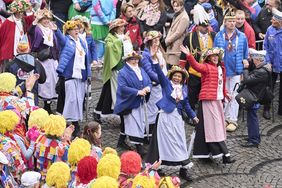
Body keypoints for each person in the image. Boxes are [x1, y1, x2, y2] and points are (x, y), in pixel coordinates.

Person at [180, 45, 235, 164]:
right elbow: (196, 66)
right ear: (209, 59)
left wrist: (226, 94)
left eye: (216, 56)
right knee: (214, 127)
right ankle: (226, 154)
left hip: (217, 100)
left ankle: (219, 153)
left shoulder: (222, 69)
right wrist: (189, 55)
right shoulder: (206, 67)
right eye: (212, 56)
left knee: (218, 127)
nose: (215, 58)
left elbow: (222, 85)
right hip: (208, 100)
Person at [146, 62, 199, 181]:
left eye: (179, 76)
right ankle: (157, 168)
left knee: (180, 142)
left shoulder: (184, 89)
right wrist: (155, 63)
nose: (176, 78)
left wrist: (193, 116)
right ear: (171, 76)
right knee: (162, 143)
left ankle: (183, 170)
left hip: (177, 119)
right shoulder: (166, 85)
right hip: (165, 117)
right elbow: (159, 74)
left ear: (182, 79)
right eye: (175, 75)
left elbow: (186, 105)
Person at [214, 9, 249, 132]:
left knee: (234, 95)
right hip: (223, 70)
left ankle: (232, 119)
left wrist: (245, 61)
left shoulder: (242, 36)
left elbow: (245, 53)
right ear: (225, 22)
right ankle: (223, 117)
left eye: (234, 21)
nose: (232, 23)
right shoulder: (219, 36)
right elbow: (214, 52)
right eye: (230, 21)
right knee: (223, 94)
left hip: (235, 70)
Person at [56, 20, 91, 137]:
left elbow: (88, 52)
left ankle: (74, 124)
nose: (76, 30)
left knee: (79, 100)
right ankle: (72, 124)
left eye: (77, 28)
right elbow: (60, 39)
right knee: (71, 101)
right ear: (68, 31)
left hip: (81, 76)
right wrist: (55, 30)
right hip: (69, 76)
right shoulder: (66, 40)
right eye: (73, 29)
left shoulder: (81, 41)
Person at [114, 51, 151, 156]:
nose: (135, 61)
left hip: (139, 103)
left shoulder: (141, 70)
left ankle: (121, 141)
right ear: (127, 60)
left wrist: (148, 87)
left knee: (138, 123)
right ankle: (139, 147)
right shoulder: (123, 72)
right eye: (132, 59)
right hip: (128, 103)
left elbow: (148, 81)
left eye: (136, 59)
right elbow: (122, 87)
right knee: (133, 124)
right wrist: (137, 92)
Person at [179, 4, 216, 111]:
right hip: (194, 72)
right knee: (192, 95)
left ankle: (203, 113)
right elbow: (183, 56)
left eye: (207, 26)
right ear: (198, 26)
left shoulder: (213, 35)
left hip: (208, 72)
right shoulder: (189, 37)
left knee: (205, 96)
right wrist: (182, 71)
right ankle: (191, 113)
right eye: (204, 26)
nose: (207, 28)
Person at [94, 18, 131, 120]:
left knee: (110, 92)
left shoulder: (125, 36)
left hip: (126, 68)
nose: (123, 28)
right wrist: (120, 41)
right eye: (121, 26)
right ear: (116, 28)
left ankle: (100, 110)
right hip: (114, 68)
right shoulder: (110, 38)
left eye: (123, 26)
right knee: (113, 90)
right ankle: (119, 112)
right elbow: (109, 48)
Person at [29, 8, 59, 113]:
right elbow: (30, 32)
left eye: (47, 19)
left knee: (53, 82)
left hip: (53, 59)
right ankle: (45, 104)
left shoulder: (51, 29)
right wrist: (35, 20)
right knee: (45, 82)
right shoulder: (37, 29)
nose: (46, 21)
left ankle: (49, 103)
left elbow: (56, 43)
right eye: (44, 19)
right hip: (43, 60)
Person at [140, 31, 167, 144]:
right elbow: (149, 72)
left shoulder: (159, 51)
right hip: (153, 86)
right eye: (154, 41)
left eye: (158, 40)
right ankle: (148, 135)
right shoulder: (145, 54)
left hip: (161, 85)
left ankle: (156, 133)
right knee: (151, 110)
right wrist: (162, 79)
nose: (157, 43)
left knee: (157, 109)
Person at [240, 49, 271, 148]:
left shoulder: (261, 71)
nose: (252, 61)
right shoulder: (262, 69)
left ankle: (254, 140)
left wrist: (245, 68)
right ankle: (253, 136)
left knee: (252, 118)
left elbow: (247, 80)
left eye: (253, 59)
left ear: (258, 60)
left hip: (254, 97)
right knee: (252, 118)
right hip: (255, 95)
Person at [0, 0, 34, 72]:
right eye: (20, 12)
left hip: (21, 51)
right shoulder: (8, 22)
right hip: (9, 54)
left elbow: (31, 19)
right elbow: (1, 37)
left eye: (22, 11)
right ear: (15, 12)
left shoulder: (22, 20)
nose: (21, 13)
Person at [34, 114, 68, 180]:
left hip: (40, 176)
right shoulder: (63, 147)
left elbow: (36, 155)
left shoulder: (40, 139)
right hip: (55, 178)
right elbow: (66, 162)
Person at [264, 7, 282, 116]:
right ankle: (267, 108)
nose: (271, 21)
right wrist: (267, 62)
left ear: (280, 21)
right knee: (269, 87)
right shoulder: (269, 30)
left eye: (274, 20)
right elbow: (265, 47)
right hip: (272, 63)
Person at [165, 0, 189, 66]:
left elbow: (178, 33)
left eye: (177, 6)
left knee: (174, 66)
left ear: (181, 6)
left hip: (176, 45)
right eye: (174, 6)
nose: (175, 8)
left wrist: (168, 40)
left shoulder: (184, 17)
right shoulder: (177, 14)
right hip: (171, 44)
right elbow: (171, 29)